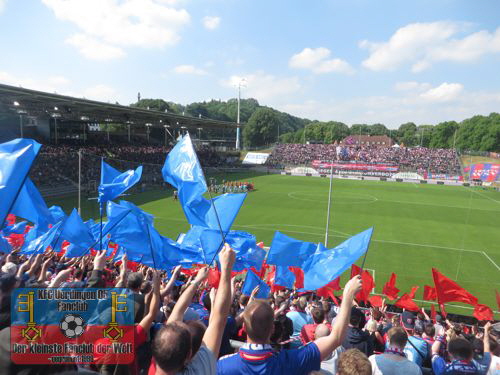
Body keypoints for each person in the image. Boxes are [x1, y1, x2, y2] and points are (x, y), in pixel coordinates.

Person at [216, 275, 363, 375]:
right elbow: (336, 337)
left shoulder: (222, 366)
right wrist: (348, 295)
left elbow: (215, 324)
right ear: (272, 329)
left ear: (244, 328)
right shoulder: (291, 361)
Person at [150, 243, 236, 375]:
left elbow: (178, 312)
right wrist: (226, 269)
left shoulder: (153, 367)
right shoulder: (200, 368)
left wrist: (198, 280)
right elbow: (219, 320)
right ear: (189, 355)